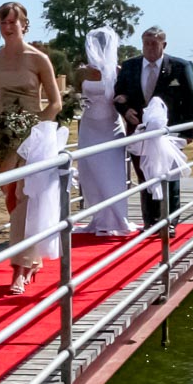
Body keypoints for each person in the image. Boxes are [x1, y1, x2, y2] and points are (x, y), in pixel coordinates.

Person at [0, 2, 61, 295]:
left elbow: (55, 103)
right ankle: (31, 258)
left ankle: (19, 271)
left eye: (13, 22)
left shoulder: (38, 59)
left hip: (33, 138)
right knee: (12, 201)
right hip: (4, 141)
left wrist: (35, 128)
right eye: (3, 22)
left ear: (25, 24)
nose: (8, 27)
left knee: (24, 197)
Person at [113, 25, 193, 235]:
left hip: (169, 134)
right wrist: (125, 110)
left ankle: (169, 221)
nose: (150, 48)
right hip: (139, 132)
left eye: (154, 43)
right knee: (145, 176)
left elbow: (192, 99)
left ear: (164, 44)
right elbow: (118, 94)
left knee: (168, 176)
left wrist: (188, 132)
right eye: (146, 43)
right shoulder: (130, 66)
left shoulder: (179, 66)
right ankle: (150, 222)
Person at [72, 27, 137, 236]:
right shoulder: (82, 72)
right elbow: (75, 95)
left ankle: (117, 218)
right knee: (90, 173)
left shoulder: (118, 71)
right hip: (89, 126)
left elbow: (128, 94)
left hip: (110, 127)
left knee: (111, 172)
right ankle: (98, 217)